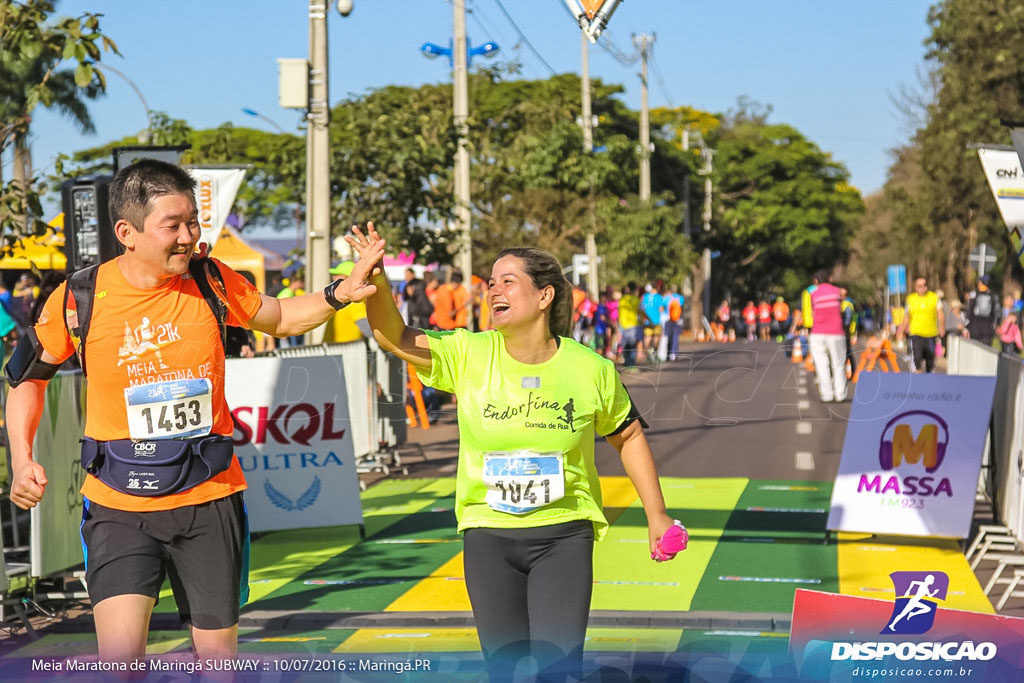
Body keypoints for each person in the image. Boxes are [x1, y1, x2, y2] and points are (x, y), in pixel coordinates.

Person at [5, 159, 384, 666]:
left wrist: (341, 292)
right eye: (172, 226)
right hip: (120, 503)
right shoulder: (80, 297)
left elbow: (279, 316)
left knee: (216, 664)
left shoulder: (210, 278)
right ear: (127, 232)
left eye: (192, 222)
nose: (188, 237)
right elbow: (27, 377)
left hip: (209, 498)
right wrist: (23, 456)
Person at [347, 226, 676, 681]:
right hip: (488, 536)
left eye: (507, 281)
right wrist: (378, 282)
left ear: (544, 296)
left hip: (562, 537)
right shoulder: (468, 353)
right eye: (491, 283)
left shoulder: (591, 369)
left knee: (558, 670)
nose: (493, 289)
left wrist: (656, 515)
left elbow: (629, 436)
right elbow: (395, 337)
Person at [808, 270, 847, 402]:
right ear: (830, 279)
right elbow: (843, 298)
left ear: (815, 281)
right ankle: (840, 394)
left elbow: (813, 312)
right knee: (838, 364)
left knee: (822, 365)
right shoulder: (837, 291)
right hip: (836, 332)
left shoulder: (813, 294)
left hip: (818, 333)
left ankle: (827, 395)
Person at [900, 277, 944, 373]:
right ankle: (917, 377)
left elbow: (940, 314)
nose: (922, 288)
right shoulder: (911, 299)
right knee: (917, 358)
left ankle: (929, 378)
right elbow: (907, 316)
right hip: (916, 333)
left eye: (924, 285)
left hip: (931, 333)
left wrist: (941, 327)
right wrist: (901, 330)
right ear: (916, 287)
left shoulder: (934, 298)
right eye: (919, 286)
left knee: (930, 359)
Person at [965, 275, 998, 347]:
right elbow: (995, 312)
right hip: (987, 326)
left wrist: (966, 324)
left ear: (980, 283)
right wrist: (994, 325)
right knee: (986, 348)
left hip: (975, 325)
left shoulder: (973, 294)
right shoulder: (993, 296)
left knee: (974, 346)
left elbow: (969, 309)